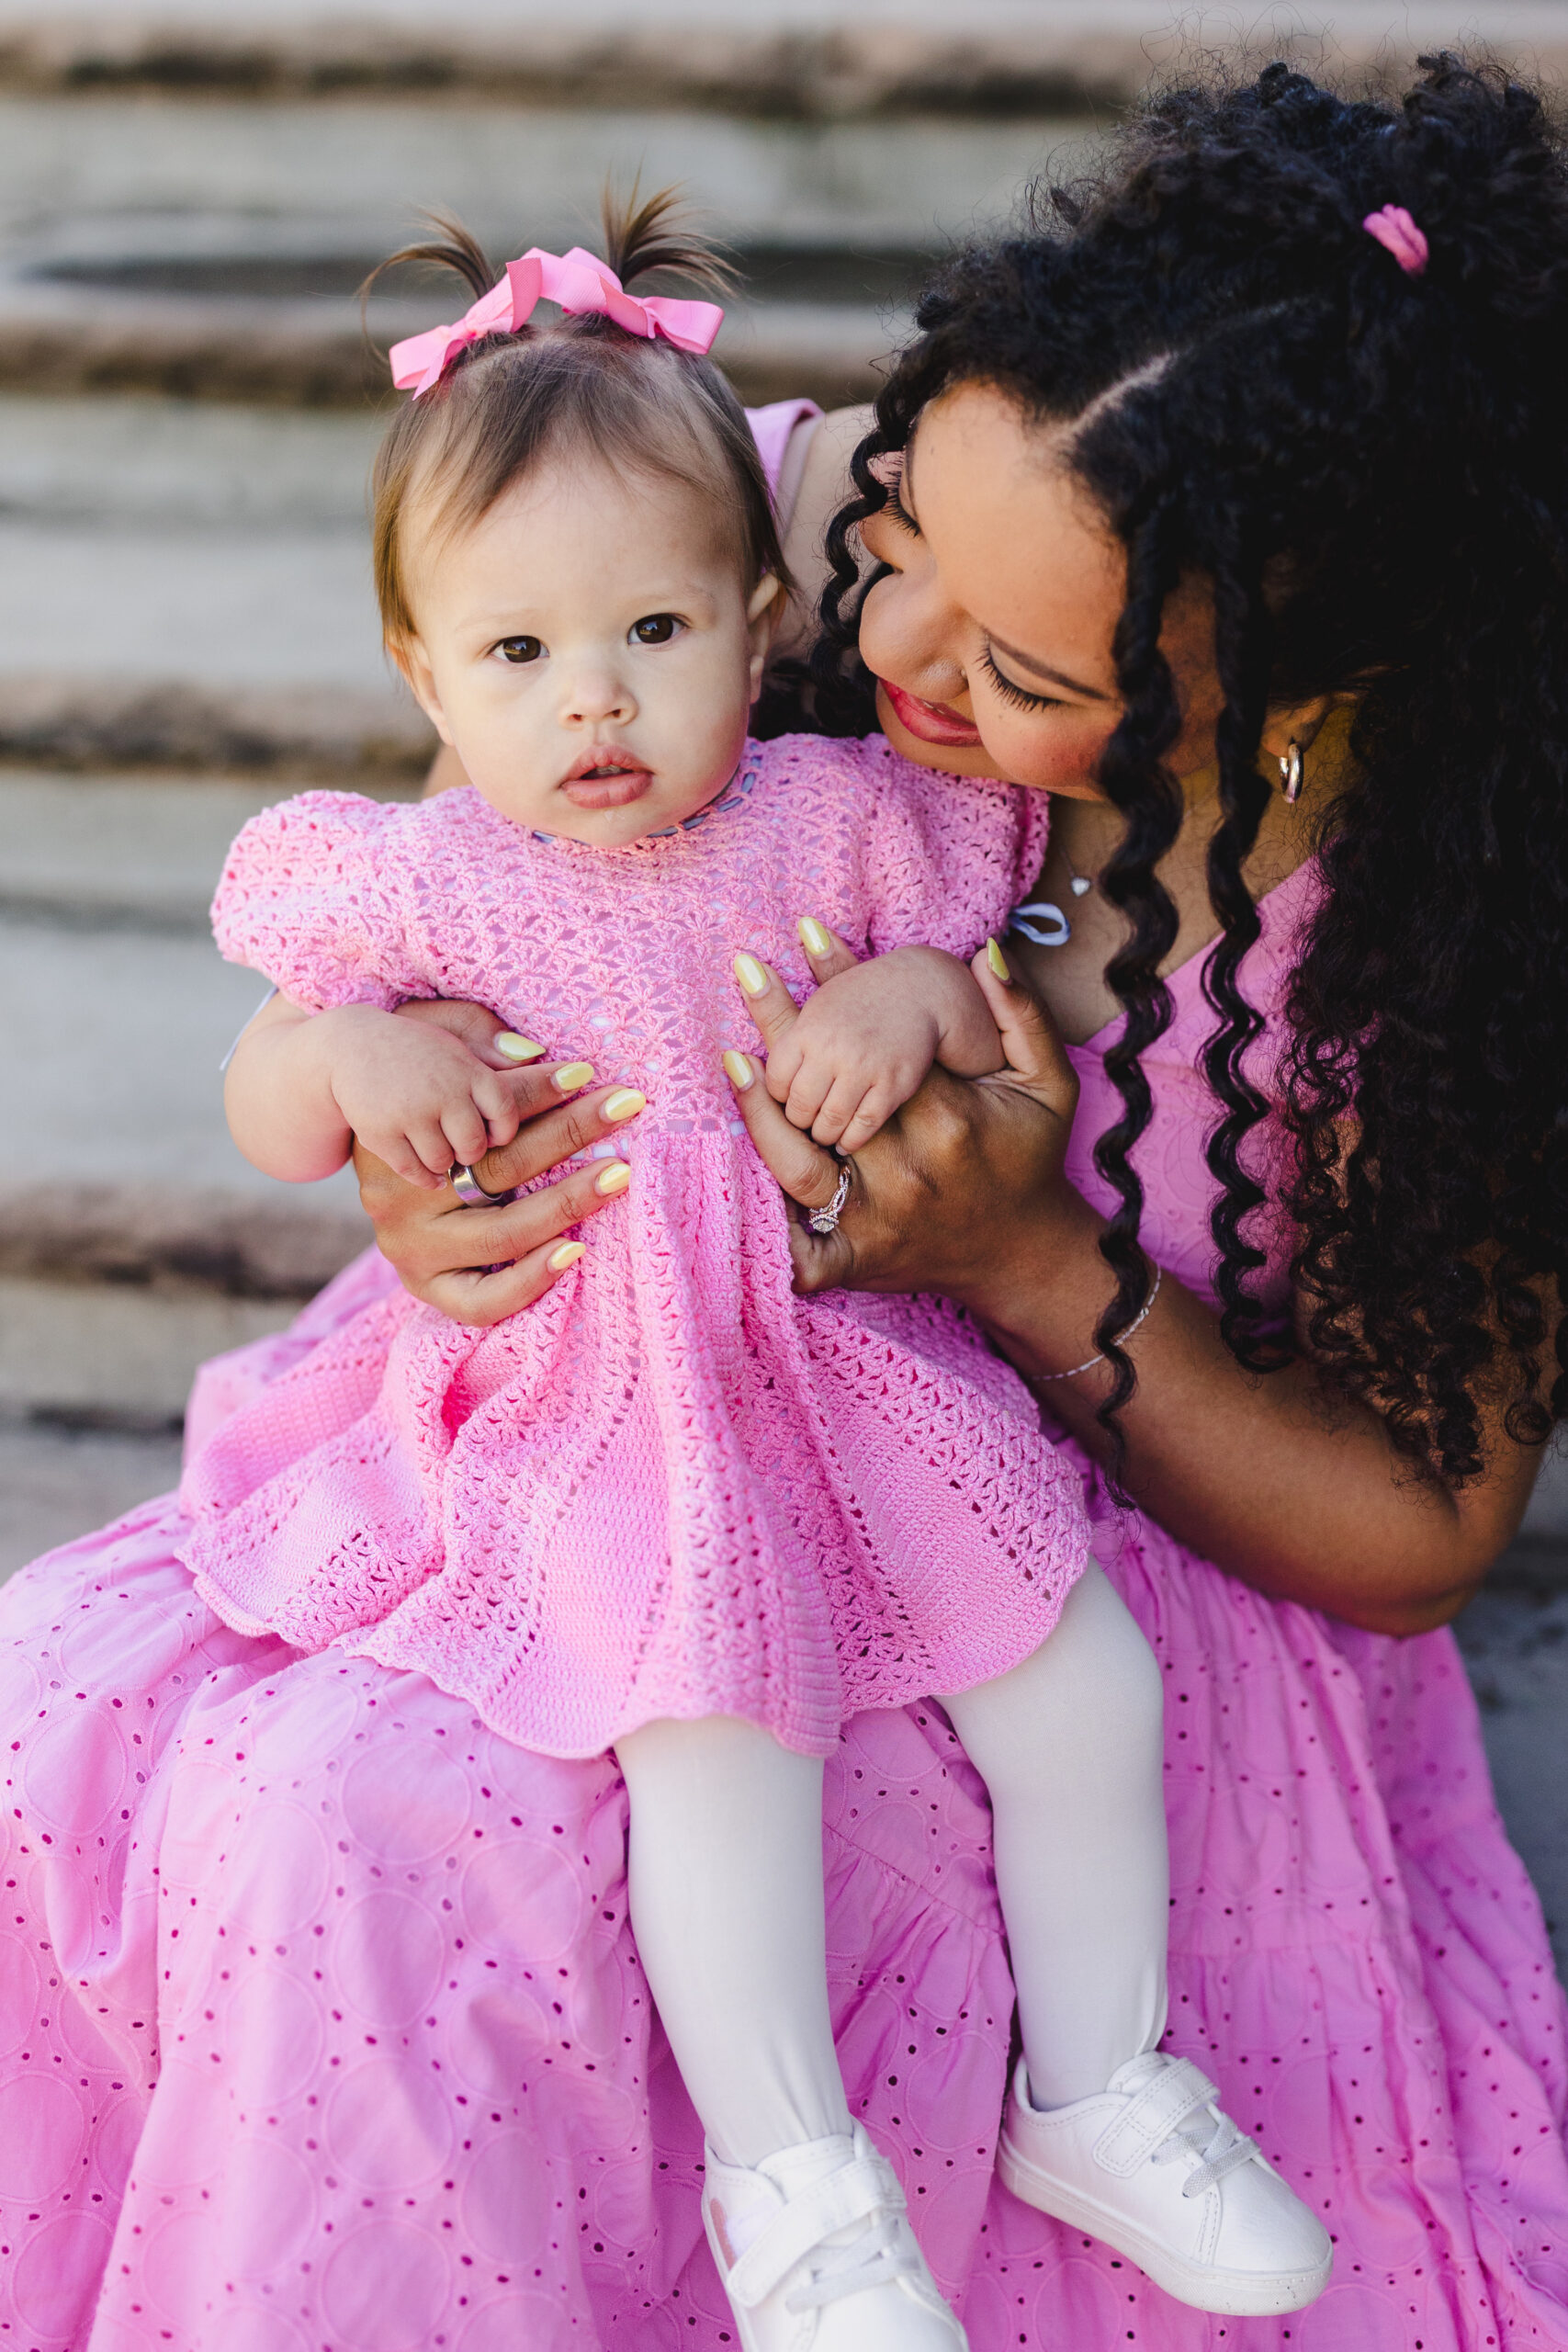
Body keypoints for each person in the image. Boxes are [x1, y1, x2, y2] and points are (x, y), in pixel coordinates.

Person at [2, 54, 1565, 2352]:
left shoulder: (1445, 925)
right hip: (609, 1421)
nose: (900, 648)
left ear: (1295, 686)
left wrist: (1026, 1263)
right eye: (903, 533)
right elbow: (482, 876)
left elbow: (1417, 1534)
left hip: (1076, 1511)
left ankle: (1028, 2122)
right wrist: (432, 1180)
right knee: (267, 1792)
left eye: (1029, 668)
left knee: (557, 1846)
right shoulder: (715, 521)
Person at [194, 189, 1330, 2346]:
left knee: (1081, 1680)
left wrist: (908, 1000)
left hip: (856, 1373)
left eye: (653, 631)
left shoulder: (846, 818)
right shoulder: (425, 874)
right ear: (427, 678)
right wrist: (346, 1055)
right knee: (721, 1743)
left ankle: (1102, 2078)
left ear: (752, 612)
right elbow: (268, 1096)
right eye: (516, 655)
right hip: (613, 1417)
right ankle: (792, 2183)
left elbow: (991, 952)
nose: (591, 699)